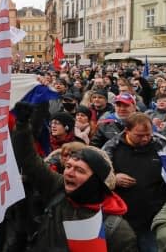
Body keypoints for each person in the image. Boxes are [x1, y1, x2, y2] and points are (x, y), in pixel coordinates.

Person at [11, 102, 137, 251]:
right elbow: (29, 160)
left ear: (95, 179)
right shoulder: (58, 188)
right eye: (68, 166)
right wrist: (22, 126)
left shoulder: (117, 230)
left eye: (79, 170)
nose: (69, 173)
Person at [102, 112, 166, 252]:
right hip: (122, 220)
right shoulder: (111, 149)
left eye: (148, 134)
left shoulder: (162, 146)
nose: (146, 138)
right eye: (140, 135)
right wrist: (114, 178)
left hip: (153, 218)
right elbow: (98, 176)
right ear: (127, 131)